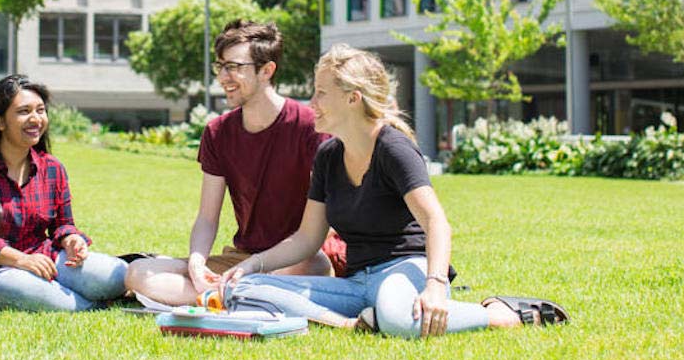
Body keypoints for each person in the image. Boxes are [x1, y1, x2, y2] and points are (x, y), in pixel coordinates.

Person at [218, 45, 569, 337]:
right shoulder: (328, 155)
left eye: (321, 93)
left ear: (353, 98)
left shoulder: (393, 148)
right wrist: (252, 265)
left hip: (407, 271)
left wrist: (434, 286)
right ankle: (352, 324)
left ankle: (498, 313)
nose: (312, 102)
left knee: (397, 317)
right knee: (244, 290)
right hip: (357, 282)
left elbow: (436, 223)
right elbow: (307, 239)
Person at [126, 20, 333, 306]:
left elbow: (314, 233)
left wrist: (257, 266)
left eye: (234, 67)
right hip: (241, 260)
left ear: (266, 70)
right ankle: (238, 295)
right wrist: (197, 264)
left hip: (294, 259)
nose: (224, 77)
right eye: (221, 66)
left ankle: (227, 296)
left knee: (315, 266)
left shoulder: (310, 127)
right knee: (138, 273)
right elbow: (207, 218)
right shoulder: (217, 132)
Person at [0, 74, 127, 311]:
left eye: (40, 110)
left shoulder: (52, 168)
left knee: (116, 275)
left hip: (43, 257)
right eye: (24, 111)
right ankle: (94, 305)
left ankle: (97, 294)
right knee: (36, 292)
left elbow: (64, 224)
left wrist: (72, 240)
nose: (35, 118)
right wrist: (21, 260)